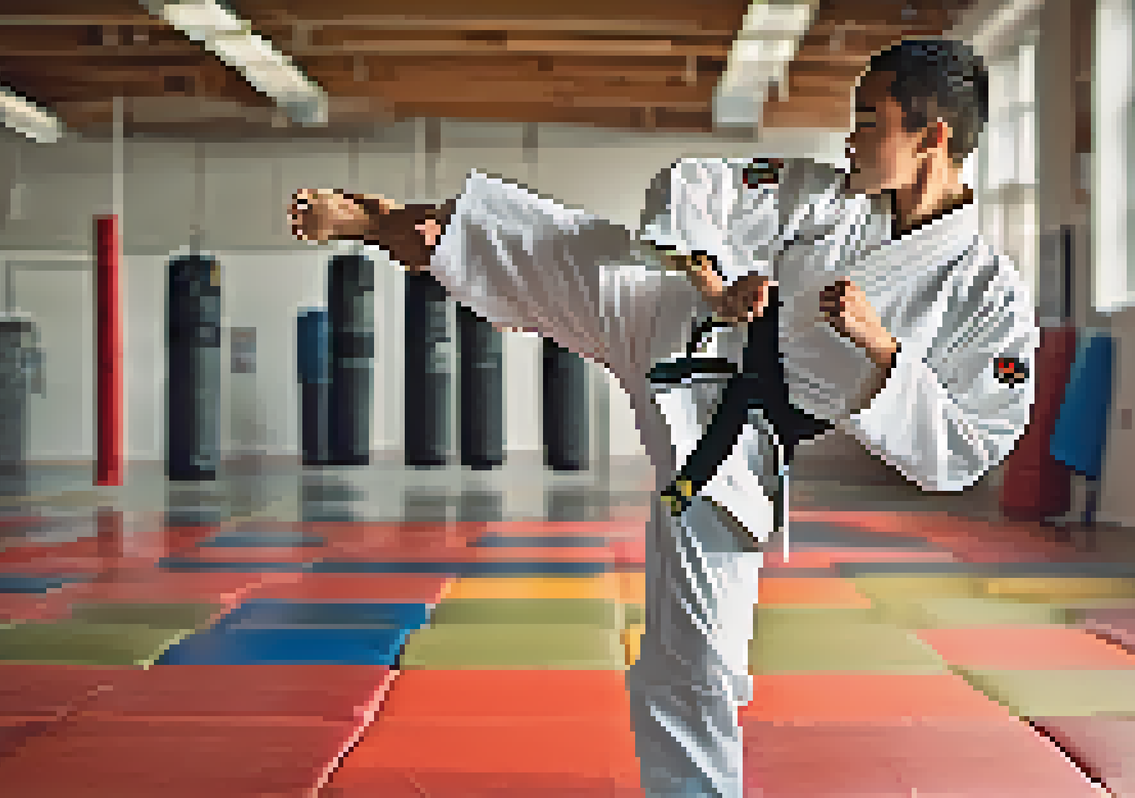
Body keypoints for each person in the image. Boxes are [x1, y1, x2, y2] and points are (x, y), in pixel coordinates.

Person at [292, 37, 1037, 798]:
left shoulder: (985, 291)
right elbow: (697, 186)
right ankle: (374, 222)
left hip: (738, 443)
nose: (850, 138)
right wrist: (715, 285)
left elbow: (973, 442)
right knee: (498, 239)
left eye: (870, 121)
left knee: (701, 658)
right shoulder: (829, 196)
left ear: (933, 138)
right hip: (682, 324)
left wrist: (883, 351)